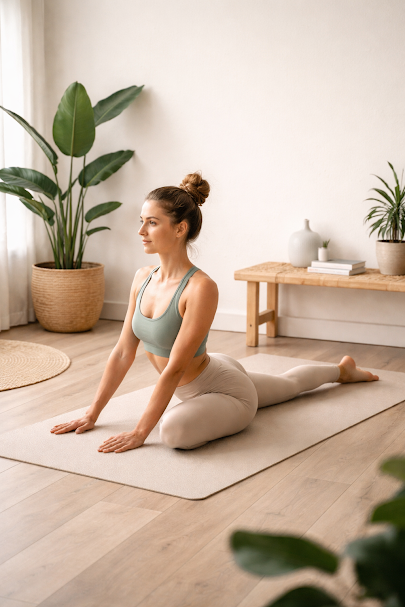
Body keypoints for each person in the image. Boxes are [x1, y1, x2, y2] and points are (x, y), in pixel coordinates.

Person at [50, 172, 379, 452]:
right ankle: (341, 370)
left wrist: (139, 433)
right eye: (142, 222)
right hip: (214, 370)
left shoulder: (200, 287)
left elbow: (176, 368)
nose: (141, 232)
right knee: (286, 385)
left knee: (173, 432)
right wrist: (92, 413)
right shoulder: (142, 277)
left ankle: (340, 372)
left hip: (224, 389)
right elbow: (123, 352)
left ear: (180, 229)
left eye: (152, 223)